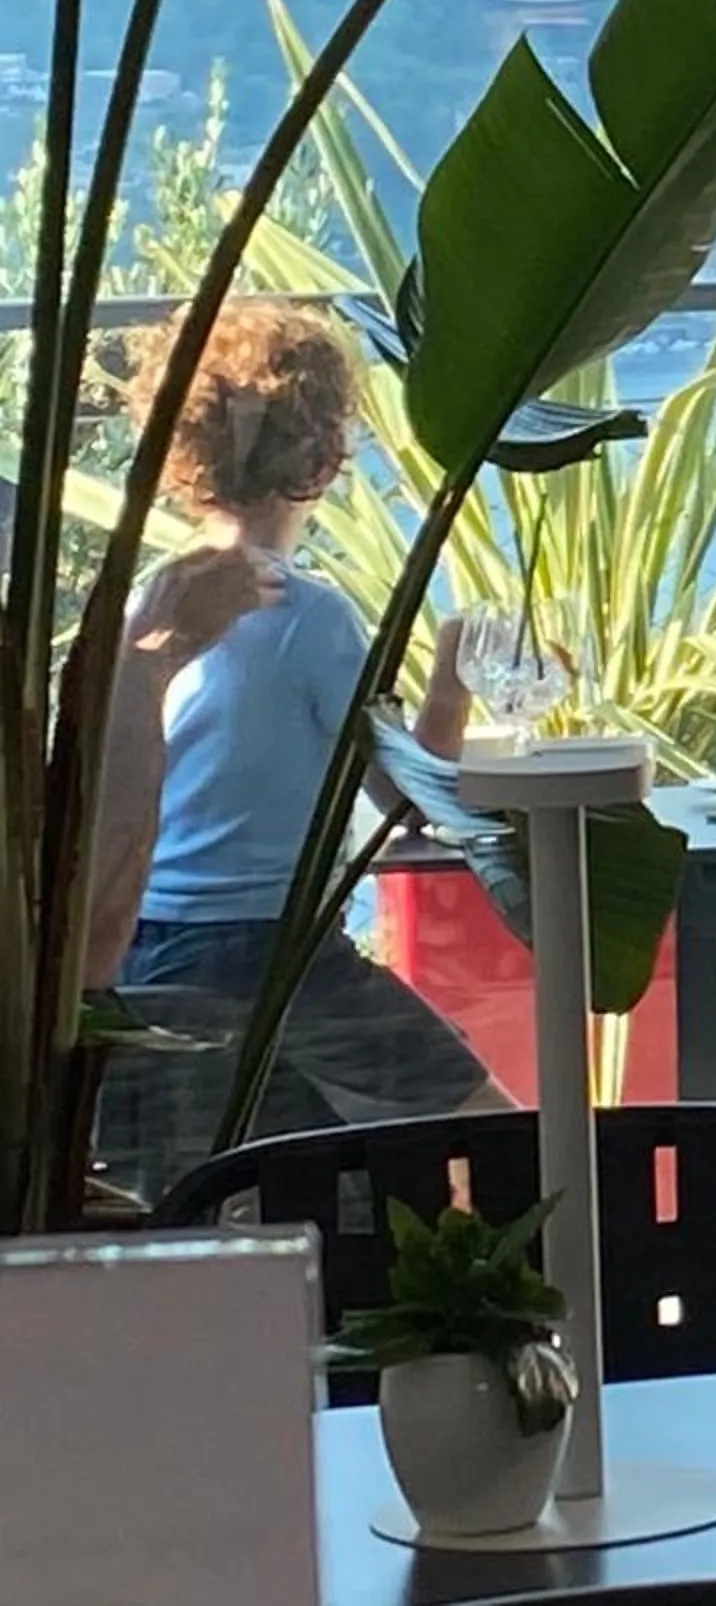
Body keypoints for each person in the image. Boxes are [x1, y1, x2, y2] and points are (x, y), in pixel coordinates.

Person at [88, 300, 504, 1134]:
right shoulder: (310, 617)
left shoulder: (154, 604)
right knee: (497, 1130)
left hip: (146, 953)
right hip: (275, 954)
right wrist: (453, 680)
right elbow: (410, 802)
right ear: (322, 453)